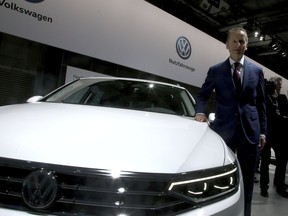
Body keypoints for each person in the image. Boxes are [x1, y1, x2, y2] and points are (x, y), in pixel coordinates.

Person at [195, 27, 267, 216]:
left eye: (242, 41)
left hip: (250, 133)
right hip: (223, 133)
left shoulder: (257, 71)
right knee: (220, 180)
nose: (238, 45)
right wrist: (199, 113)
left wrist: (263, 132)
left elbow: (261, 105)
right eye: (234, 41)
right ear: (227, 44)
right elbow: (202, 96)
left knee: (248, 182)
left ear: (247, 45)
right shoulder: (216, 71)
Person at [260, 77, 288, 198]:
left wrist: (280, 117)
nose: (280, 86)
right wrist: (280, 117)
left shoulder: (282, 98)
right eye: (278, 84)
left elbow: (286, 113)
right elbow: (266, 115)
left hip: (280, 135)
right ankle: (264, 187)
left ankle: (279, 185)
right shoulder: (265, 98)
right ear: (272, 85)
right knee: (265, 161)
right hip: (267, 134)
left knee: (282, 161)